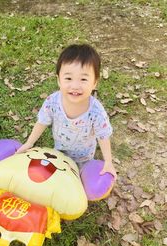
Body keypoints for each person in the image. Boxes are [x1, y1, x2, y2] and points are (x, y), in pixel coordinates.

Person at [16, 44, 117, 179]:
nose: (75, 86)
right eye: (68, 78)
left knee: (80, 184)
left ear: (94, 83)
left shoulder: (96, 112)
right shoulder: (52, 102)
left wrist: (108, 162)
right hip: (58, 154)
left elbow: (103, 136)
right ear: (59, 80)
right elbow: (42, 122)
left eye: (83, 79)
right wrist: (29, 143)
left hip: (84, 159)